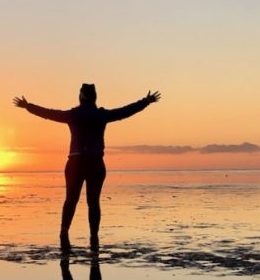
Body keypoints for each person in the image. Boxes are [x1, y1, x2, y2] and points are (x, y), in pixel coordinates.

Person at [13, 84, 160, 250]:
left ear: (81, 97)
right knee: (93, 202)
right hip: (95, 163)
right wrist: (146, 101)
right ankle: (93, 236)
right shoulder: (100, 115)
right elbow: (125, 112)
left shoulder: (74, 114)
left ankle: (64, 232)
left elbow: (50, 114)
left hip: (76, 163)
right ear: (94, 97)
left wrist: (28, 106)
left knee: (71, 200)